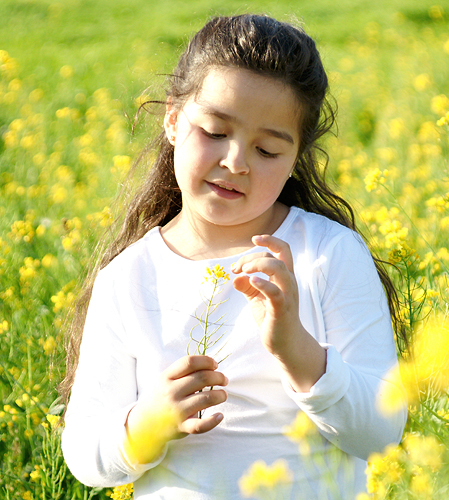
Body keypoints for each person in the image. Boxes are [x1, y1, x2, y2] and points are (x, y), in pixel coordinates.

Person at [60, 14, 408, 499]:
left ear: (294, 161)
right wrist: (147, 424)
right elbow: (84, 454)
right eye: (215, 131)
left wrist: (297, 350)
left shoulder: (328, 254)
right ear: (173, 120)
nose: (236, 161)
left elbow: (381, 433)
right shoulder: (128, 278)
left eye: (267, 150)